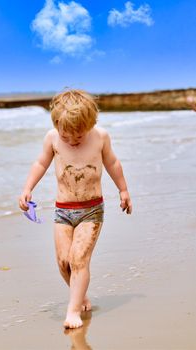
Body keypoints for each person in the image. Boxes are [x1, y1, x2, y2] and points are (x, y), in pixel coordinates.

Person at [19, 89, 132, 329]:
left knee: (79, 258)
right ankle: (79, 296)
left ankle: (72, 311)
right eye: (66, 135)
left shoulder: (100, 136)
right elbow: (40, 162)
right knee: (63, 261)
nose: (71, 140)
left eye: (78, 137)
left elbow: (112, 162)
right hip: (63, 210)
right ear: (57, 125)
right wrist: (27, 188)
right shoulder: (52, 138)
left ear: (90, 124)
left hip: (91, 209)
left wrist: (123, 190)